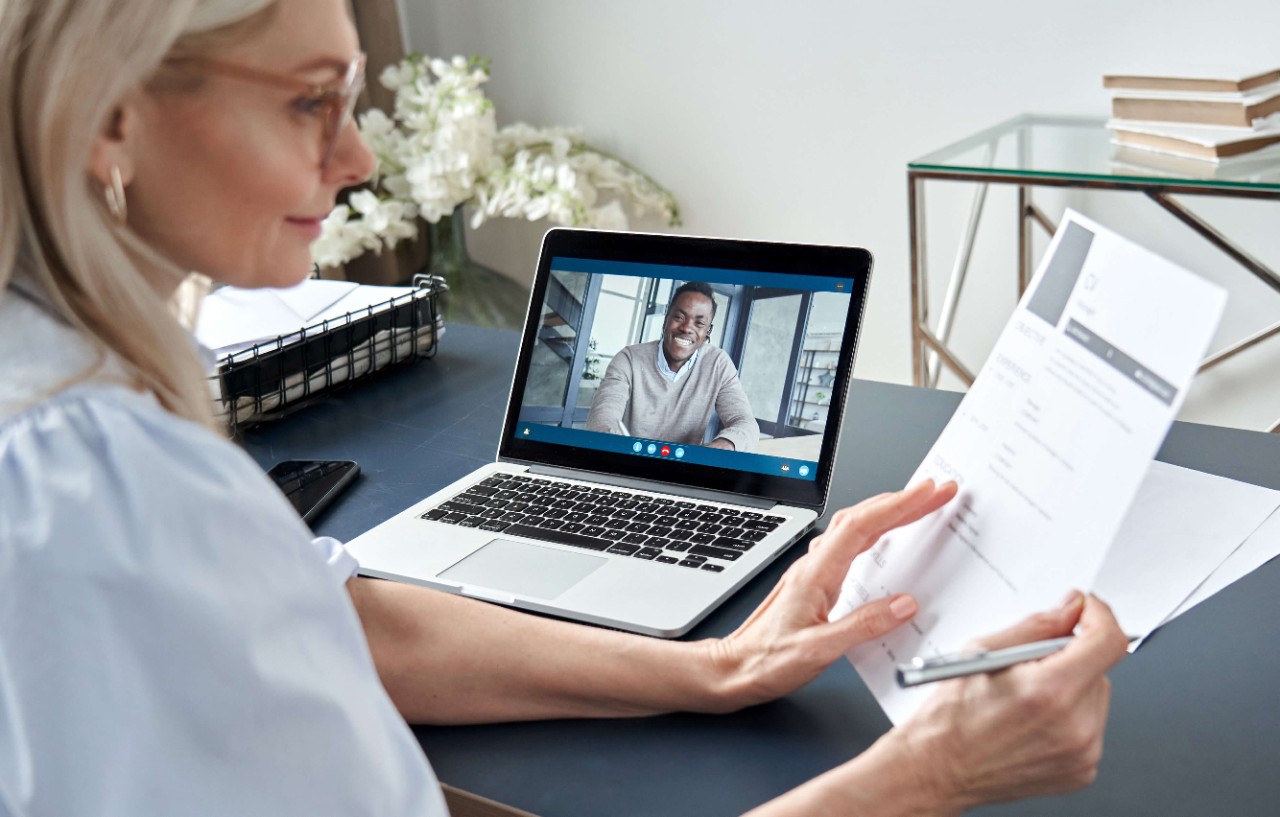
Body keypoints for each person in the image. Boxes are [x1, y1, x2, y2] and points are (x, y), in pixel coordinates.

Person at [0, 1, 1130, 815]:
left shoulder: (67, 397)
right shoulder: (96, 485)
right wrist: (925, 778)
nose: (353, 158)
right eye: (308, 102)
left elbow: (342, 618)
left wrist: (720, 667)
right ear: (109, 116)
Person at [586, 281, 761, 451]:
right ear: (666, 320)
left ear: (708, 331)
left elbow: (745, 423)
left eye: (699, 323)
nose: (686, 328)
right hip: (627, 462)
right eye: (679, 317)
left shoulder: (718, 364)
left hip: (682, 472)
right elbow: (603, 418)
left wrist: (724, 445)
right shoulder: (629, 359)